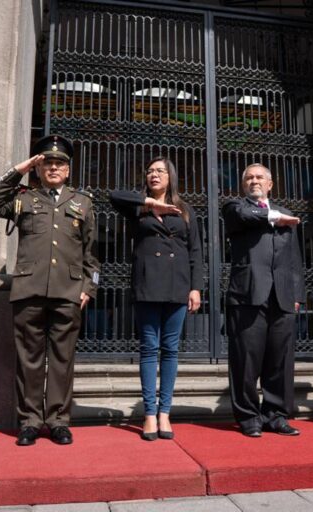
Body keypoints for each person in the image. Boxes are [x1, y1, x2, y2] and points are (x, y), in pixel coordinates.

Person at [0, 135, 100, 446]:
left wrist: (89, 287)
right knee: (29, 360)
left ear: (68, 170)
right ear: (38, 167)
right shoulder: (24, 198)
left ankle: (58, 420)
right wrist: (20, 168)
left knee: (62, 360)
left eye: (59, 163)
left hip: (69, 292)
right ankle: (30, 421)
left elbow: (92, 255)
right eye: (46, 162)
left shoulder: (82, 202)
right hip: (29, 289)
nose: (53, 167)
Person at [109, 157, 203, 441]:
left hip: (177, 286)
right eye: (149, 170)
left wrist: (196, 287)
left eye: (160, 171)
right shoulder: (138, 207)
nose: (154, 174)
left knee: (170, 349)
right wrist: (151, 204)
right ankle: (150, 413)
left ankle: (165, 412)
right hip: (148, 284)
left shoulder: (186, 210)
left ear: (171, 176)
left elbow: (196, 251)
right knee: (149, 348)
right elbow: (113, 196)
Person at [222, 163, 305, 437]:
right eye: (249, 177)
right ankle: (248, 417)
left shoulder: (287, 215)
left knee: (280, 361)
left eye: (260, 177)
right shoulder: (235, 207)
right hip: (248, 294)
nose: (254, 181)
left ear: (271, 184)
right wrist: (273, 217)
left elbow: (294, 259)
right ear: (243, 184)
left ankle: (276, 415)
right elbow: (246, 215)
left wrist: (297, 295)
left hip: (282, 296)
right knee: (246, 359)